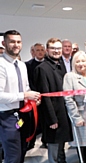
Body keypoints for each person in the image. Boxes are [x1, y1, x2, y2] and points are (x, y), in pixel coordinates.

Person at [0, 30, 40, 163]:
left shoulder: (21, 65)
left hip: (23, 114)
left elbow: (26, 88)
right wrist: (24, 95)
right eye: (12, 41)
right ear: (4, 43)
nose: (16, 45)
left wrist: (32, 98)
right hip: (7, 117)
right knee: (13, 156)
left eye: (18, 42)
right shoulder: (1, 64)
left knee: (23, 151)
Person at [34, 38, 73, 163]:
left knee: (61, 146)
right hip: (53, 116)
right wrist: (52, 119)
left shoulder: (60, 66)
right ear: (47, 50)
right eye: (53, 48)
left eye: (58, 48)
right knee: (54, 148)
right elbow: (44, 96)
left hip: (63, 113)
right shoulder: (42, 68)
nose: (56, 51)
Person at [63, 51, 86, 163]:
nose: (80, 64)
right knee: (82, 143)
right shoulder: (69, 77)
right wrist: (76, 117)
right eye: (77, 61)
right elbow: (68, 99)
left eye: (83, 61)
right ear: (74, 63)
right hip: (81, 114)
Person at [25, 43, 47, 150]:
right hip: (33, 97)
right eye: (37, 50)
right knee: (33, 121)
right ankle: (31, 142)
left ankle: (45, 140)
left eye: (42, 50)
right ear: (33, 52)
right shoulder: (28, 65)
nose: (40, 52)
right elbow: (27, 82)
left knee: (46, 120)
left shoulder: (48, 64)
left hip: (46, 96)